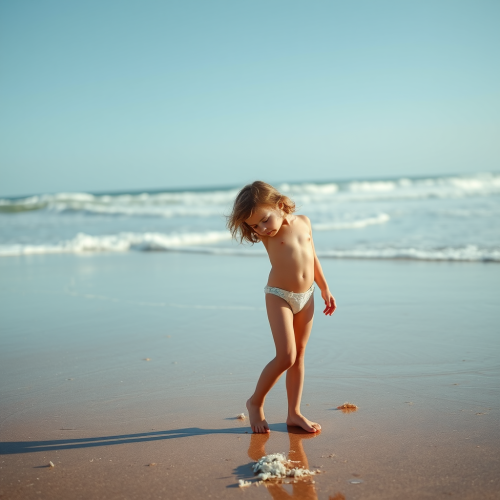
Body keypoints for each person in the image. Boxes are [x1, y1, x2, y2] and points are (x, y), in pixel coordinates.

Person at [227, 181, 336, 433]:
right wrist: (259, 226)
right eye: (254, 226)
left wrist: (324, 287)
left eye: (265, 220)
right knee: (286, 356)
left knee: (299, 355)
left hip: (306, 296)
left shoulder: (305, 222)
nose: (262, 229)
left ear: (279, 205)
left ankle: (294, 413)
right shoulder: (267, 237)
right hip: (279, 296)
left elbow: (313, 255)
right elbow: (262, 228)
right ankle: (255, 402)